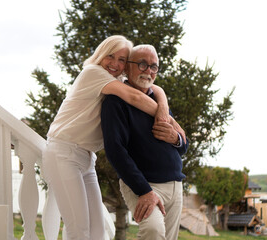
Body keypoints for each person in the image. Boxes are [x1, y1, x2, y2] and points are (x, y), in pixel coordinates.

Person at [42, 36, 177, 240]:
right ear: (100, 55)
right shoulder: (92, 72)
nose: (115, 63)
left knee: (98, 230)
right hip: (64, 151)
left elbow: (154, 88)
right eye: (110, 56)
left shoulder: (115, 81)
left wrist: (163, 104)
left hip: (86, 158)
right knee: (78, 227)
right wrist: (174, 124)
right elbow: (136, 97)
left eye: (122, 59)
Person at [101, 44, 189, 240]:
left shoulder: (157, 101)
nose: (148, 71)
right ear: (127, 67)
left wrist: (175, 139)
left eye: (154, 66)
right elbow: (115, 150)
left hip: (174, 185)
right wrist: (144, 190)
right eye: (142, 64)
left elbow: (183, 146)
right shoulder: (115, 103)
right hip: (145, 184)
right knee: (153, 231)